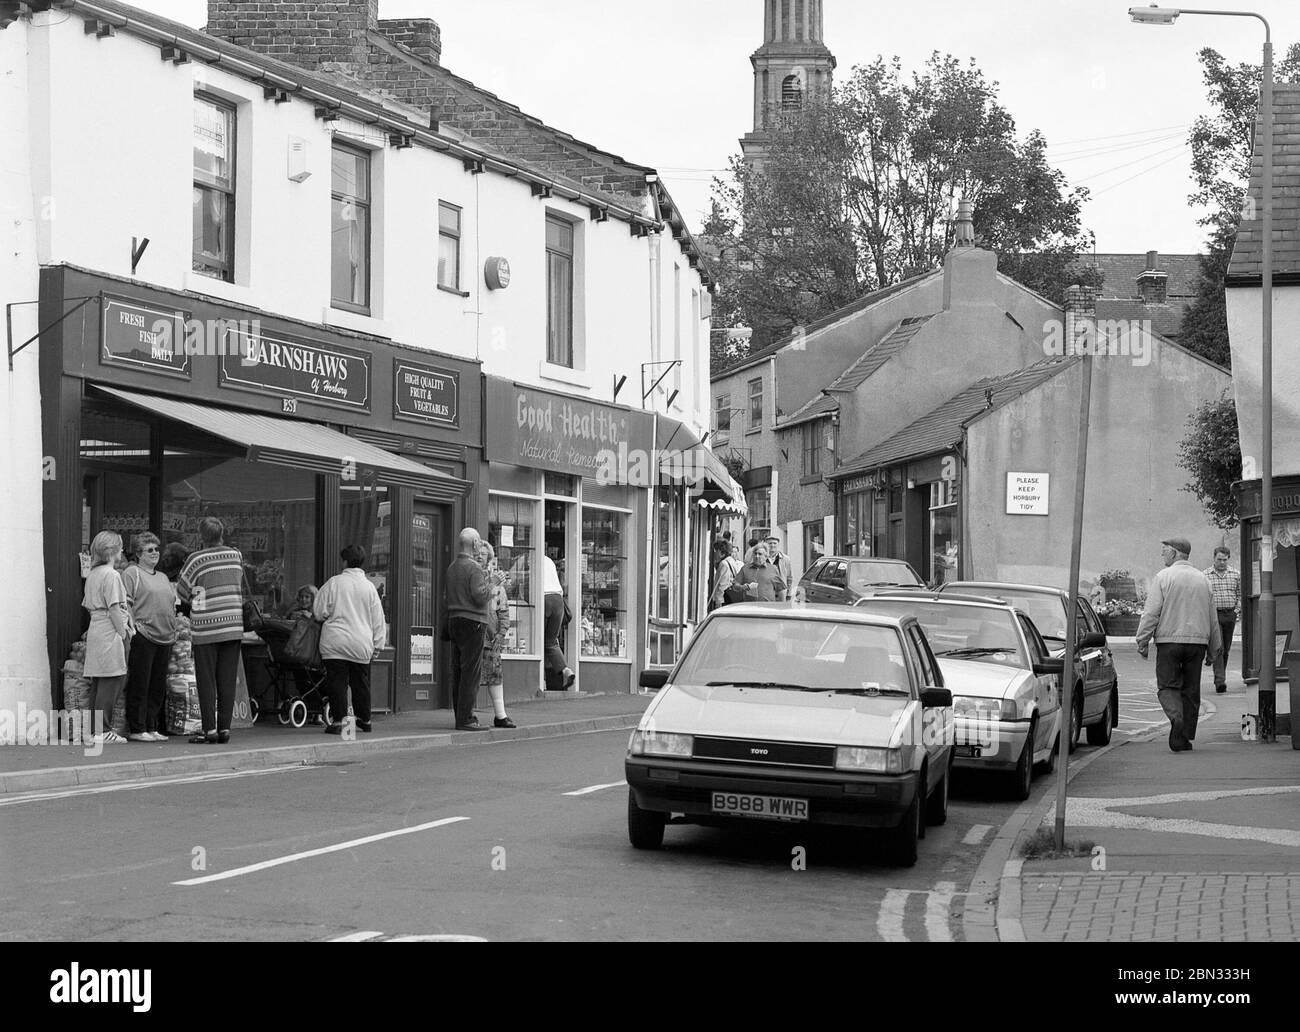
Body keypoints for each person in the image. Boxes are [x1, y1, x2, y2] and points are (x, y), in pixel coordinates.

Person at [1135, 536, 1222, 752]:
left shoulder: (1163, 577)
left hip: (1169, 642)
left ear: (1174, 553)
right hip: (1197, 644)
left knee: (1167, 685)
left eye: (1164, 550)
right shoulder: (1204, 580)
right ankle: (1184, 737)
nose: (1162, 554)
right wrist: (1214, 649)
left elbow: (1152, 612)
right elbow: (1213, 618)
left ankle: (1176, 718)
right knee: (1191, 690)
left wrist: (1142, 639)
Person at [176, 517, 245, 745]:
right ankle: (225, 728)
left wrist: (199, 597)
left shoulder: (196, 559)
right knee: (227, 678)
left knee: (206, 679)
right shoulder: (236, 556)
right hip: (233, 625)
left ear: (202, 536)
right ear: (222, 533)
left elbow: (183, 590)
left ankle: (210, 730)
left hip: (206, 627)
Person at [314, 546, 385, 735]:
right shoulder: (369, 587)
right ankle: (365, 720)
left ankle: (340, 722)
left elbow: (319, 612)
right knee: (360, 683)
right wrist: (377, 645)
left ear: (344, 562)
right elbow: (378, 619)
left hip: (335, 642)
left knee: (337, 683)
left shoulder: (334, 583)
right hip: (361, 643)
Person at [121, 532, 177, 743]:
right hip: (144, 634)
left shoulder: (162, 577)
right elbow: (126, 602)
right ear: (138, 553)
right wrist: (132, 626)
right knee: (140, 682)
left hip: (166, 635)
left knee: (157, 684)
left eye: (156, 549)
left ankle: (152, 725)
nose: (155, 553)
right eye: (149, 550)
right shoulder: (132, 573)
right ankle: (137, 726)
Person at [81, 531, 132, 745]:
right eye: (120, 547)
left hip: (96, 626)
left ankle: (93, 730)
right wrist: (124, 632)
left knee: (99, 680)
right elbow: (114, 607)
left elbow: (87, 604)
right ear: (112, 551)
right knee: (113, 678)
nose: (122, 551)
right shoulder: (112, 575)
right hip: (109, 628)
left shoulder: (94, 573)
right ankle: (103, 729)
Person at [445, 528, 492, 730]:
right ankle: (466, 718)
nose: (480, 546)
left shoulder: (452, 567)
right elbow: (479, 596)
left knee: (458, 671)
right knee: (471, 672)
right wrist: (494, 583)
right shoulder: (474, 568)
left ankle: (460, 715)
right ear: (474, 544)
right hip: (473, 621)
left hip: (454, 620)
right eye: (479, 543)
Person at [475, 540, 516, 728]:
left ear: (489, 558)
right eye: (477, 553)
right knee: (471, 676)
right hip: (474, 636)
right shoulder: (473, 576)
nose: (479, 556)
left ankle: (500, 715)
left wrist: (501, 633)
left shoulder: (498, 585)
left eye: (483, 554)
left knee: (495, 675)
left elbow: (503, 611)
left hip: (490, 638)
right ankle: (467, 714)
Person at [1203, 545, 1241, 695]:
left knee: (1226, 648)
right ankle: (1220, 681)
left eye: (1224, 560)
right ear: (1214, 558)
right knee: (1219, 647)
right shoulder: (1205, 575)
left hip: (1230, 614)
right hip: (1214, 615)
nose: (1222, 562)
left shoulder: (1235, 574)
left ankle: (1220, 676)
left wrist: (1237, 610)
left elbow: (1240, 594)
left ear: (1228, 559)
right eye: (1219, 559)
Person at [541, 551, 575, 691]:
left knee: (538, 642)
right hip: (558, 600)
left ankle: (542, 680)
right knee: (551, 641)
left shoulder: (529, 557)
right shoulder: (549, 560)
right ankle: (567, 671)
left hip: (543, 598)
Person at [710, 541, 744, 610]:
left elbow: (723, 584)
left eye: (715, 551)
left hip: (724, 599)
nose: (714, 553)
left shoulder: (724, 563)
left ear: (720, 552)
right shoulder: (731, 561)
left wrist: (718, 601)